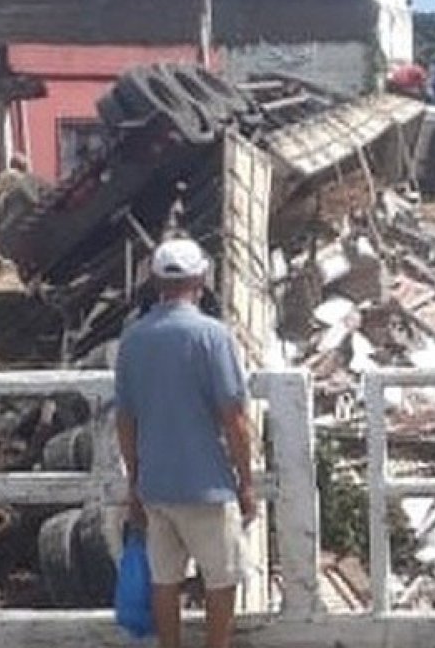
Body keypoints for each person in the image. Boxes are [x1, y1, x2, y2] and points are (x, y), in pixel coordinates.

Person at [115, 238, 256, 648]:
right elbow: (235, 418)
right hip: (206, 484)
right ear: (202, 278)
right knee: (222, 577)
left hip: (156, 485)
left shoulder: (134, 340)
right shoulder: (213, 336)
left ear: (156, 281)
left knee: (165, 579)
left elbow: (126, 420)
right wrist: (246, 481)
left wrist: (134, 481)